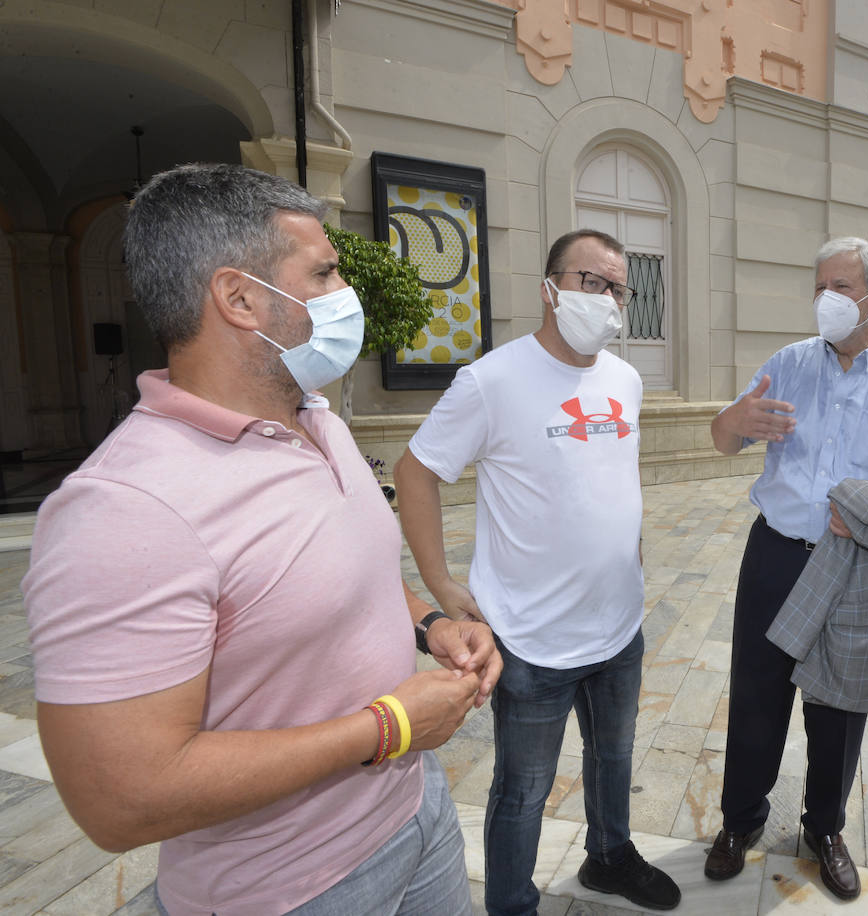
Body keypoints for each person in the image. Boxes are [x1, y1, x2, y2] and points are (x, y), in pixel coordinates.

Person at [22, 163, 502, 915]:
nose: (348, 295)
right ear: (240, 299)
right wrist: (388, 728)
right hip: (290, 892)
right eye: (325, 273)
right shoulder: (125, 510)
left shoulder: (318, 420)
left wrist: (431, 625)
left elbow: (351, 574)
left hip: (416, 819)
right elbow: (122, 801)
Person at [393, 228, 680, 916]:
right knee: (522, 789)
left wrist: (629, 541)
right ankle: (514, 904)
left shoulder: (626, 378)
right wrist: (439, 584)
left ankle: (610, 857)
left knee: (614, 760)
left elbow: (614, 472)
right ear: (551, 288)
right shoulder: (492, 380)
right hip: (529, 638)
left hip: (617, 625)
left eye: (619, 287)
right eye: (592, 282)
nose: (607, 299)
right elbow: (416, 471)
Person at [705, 237, 868, 901]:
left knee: (840, 706)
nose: (825, 301)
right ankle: (739, 821)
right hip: (777, 553)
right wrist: (733, 419)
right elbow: (724, 439)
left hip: (856, 563)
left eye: (839, 288)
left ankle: (825, 830)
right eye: (819, 287)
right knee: (757, 693)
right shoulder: (787, 364)